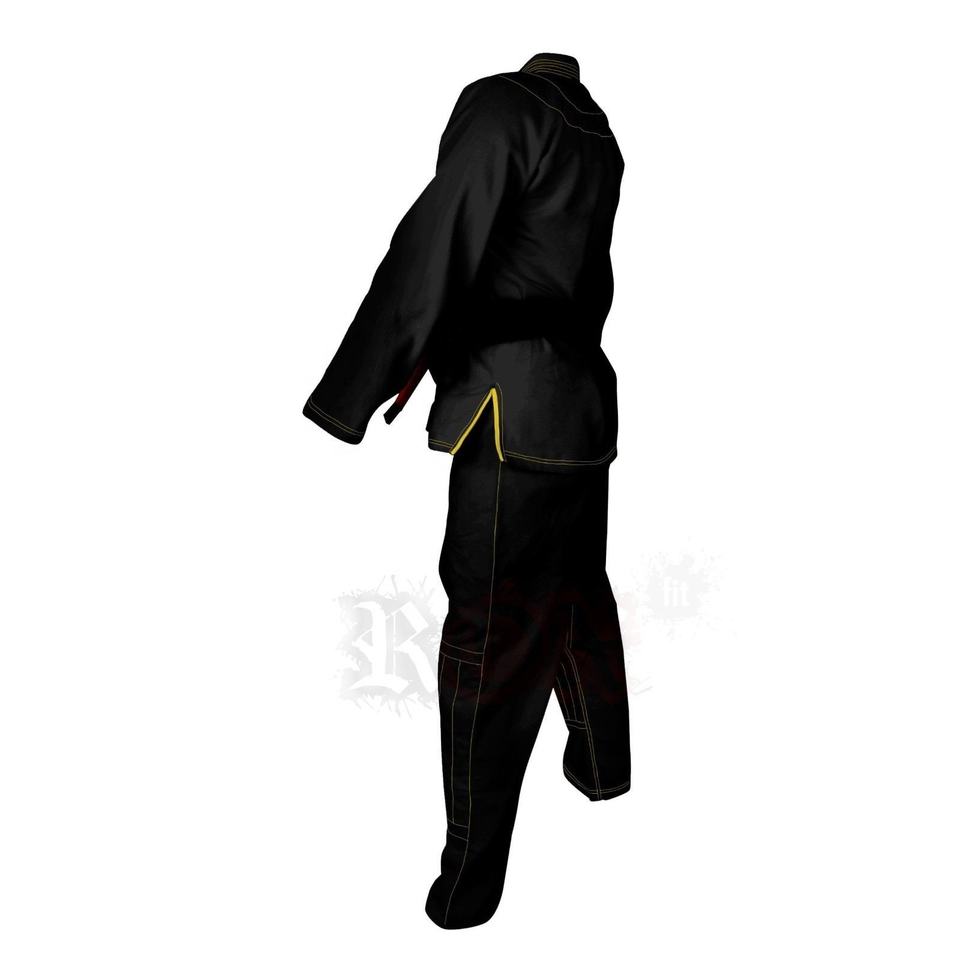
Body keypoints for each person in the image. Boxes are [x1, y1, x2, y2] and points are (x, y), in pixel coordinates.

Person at [303, 51, 631, 929]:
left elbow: (438, 241)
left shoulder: (503, 106)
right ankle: (603, 766)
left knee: (492, 636)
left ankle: (470, 882)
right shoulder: (599, 137)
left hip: (509, 410)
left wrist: (350, 389)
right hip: (581, 408)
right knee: (572, 592)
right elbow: (563, 278)